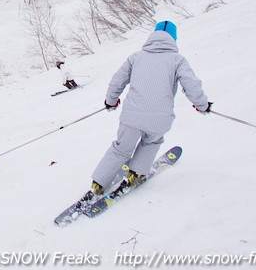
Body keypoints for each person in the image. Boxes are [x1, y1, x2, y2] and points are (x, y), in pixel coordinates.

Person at [89, 20, 211, 197]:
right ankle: (135, 174)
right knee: (151, 143)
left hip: (131, 117)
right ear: (173, 38)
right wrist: (202, 105)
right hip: (160, 119)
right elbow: (192, 84)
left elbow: (117, 80)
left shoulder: (136, 57)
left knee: (121, 148)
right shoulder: (177, 60)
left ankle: (98, 183)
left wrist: (111, 101)